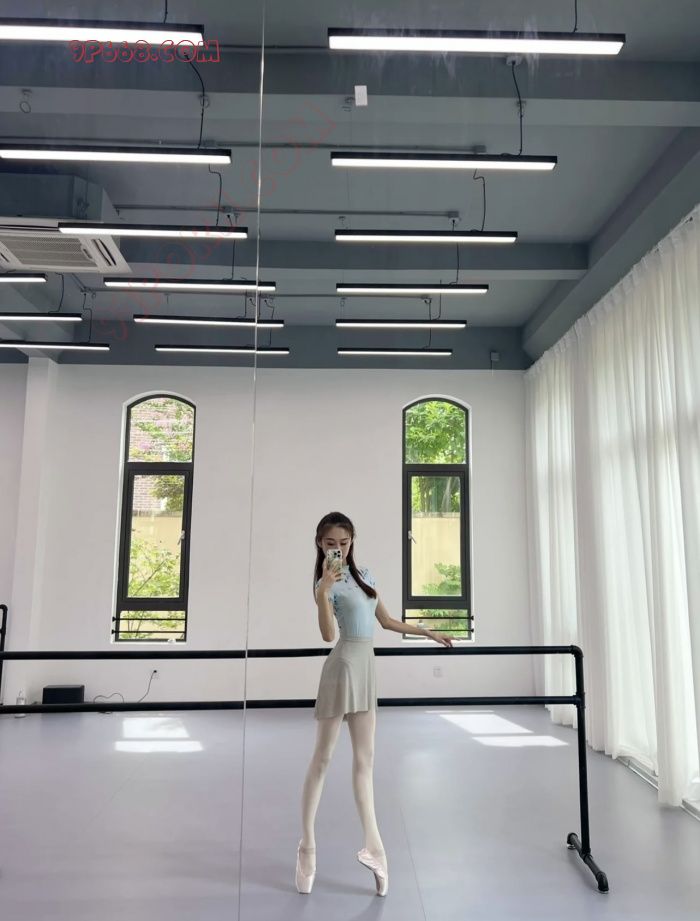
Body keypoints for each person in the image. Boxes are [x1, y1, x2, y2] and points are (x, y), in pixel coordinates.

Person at [296, 511, 453, 897]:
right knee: (322, 759)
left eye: (344, 542)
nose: (338, 548)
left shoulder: (366, 575)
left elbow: (386, 621)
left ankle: (374, 847)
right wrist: (323, 592)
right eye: (331, 543)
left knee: (365, 762)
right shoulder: (323, 584)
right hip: (341, 668)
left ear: (352, 541)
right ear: (320, 544)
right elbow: (327, 635)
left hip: (366, 669)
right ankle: (307, 846)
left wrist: (427, 632)